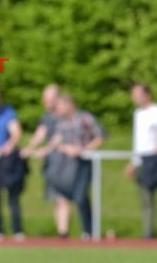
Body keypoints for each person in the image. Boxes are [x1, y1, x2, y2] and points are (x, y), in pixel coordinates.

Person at [43, 93, 106, 240]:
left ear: (70, 104)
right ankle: (65, 232)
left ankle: (89, 230)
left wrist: (84, 149)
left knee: (81, 196)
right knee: (63, 197)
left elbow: (100, 136)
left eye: (61, 105)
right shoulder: (61, 123)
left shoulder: (85, 119)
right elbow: (55, 142)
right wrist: (64, 148)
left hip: (83, 163)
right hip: (66, 166)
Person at [21, 84, 71, 238]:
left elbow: (59, 138)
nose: (45, 102)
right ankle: (62, 232)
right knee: (56, 198)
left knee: (64, 198)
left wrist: (46, 150)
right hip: (52, 164)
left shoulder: (66, 116)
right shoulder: (47, 117)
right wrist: (29, 148)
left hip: (66, 163)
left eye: (48, 99)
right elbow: (40, 134)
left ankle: (65, 232)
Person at [0, 91, 25, 242]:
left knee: (13, 197)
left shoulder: (8, 113)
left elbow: (16, 133)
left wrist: (7, 146)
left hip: (7, 162)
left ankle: (17, 229)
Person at [125, 84, 157, 239]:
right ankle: (148, 232)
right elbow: (138, 141)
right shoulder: (138, 114)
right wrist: (134, 161)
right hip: (144, 158)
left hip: (154, 157)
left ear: (147, 95)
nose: (134, 98)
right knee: (146, 196)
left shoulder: (155, 111)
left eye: (137, 94)